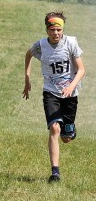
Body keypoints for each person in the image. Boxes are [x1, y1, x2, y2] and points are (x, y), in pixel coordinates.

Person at [23, 12, 85, 183]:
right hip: (50, 92)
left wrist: (71, 86)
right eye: (52, 30)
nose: (56, 33)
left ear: (62, 29)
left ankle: (70, 129)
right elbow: (28, 55)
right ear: (47, 30)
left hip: (70, 94)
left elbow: (81, 70)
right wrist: (27, 79)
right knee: (55, 129)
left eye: (59, 29)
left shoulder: (71, 43)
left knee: (66, 138)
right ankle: (55, 172)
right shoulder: (41, 46)